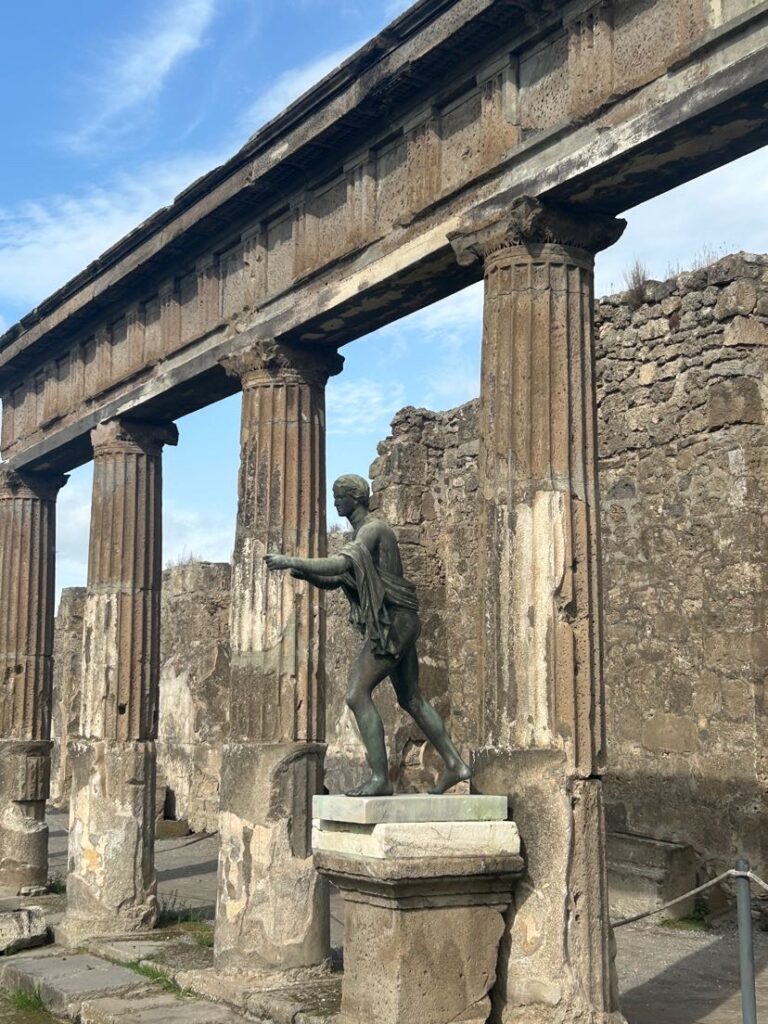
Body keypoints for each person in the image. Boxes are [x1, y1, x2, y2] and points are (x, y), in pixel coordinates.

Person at [265, 473, 471, 797]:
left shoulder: (372, 530)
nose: (334, 502)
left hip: (393, 625)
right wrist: (304, 573)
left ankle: (380, 778)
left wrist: (291, 559)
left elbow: (337, 565)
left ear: (356, 497)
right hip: (400, 622)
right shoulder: (361, 535)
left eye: (339, 496)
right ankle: (456, 764)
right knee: (411, 698)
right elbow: (339, 579)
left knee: (356, 694)